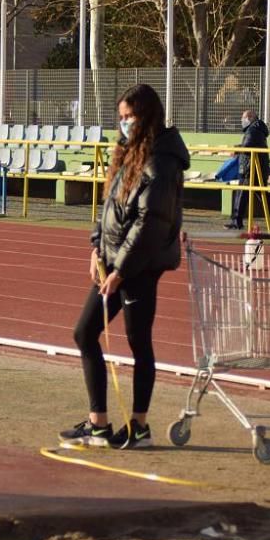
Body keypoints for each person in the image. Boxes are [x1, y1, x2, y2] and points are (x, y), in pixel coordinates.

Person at [59, 84, 189, 449]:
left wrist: (121, 270)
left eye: (130, 117)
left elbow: (151, 223)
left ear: (146, 116)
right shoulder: (128, 152)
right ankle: (98, 423)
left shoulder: (162, 161)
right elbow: (109, 207)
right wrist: (97, 248)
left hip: (139, 267)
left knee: (138, 342)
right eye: (121, 118)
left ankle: (139, 426)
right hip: (112, 262)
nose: (125, 124)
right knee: (84, 332)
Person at [225, 109, 270, 232]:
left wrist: (236, 149)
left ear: (251, 117)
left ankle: (236, 221)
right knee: (262, 194)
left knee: (242, 194)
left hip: (251, 168)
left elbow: (248, 146)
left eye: (244, 118)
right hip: (256, 167)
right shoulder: (257, 130)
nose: (242, 120)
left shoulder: (253, 130)